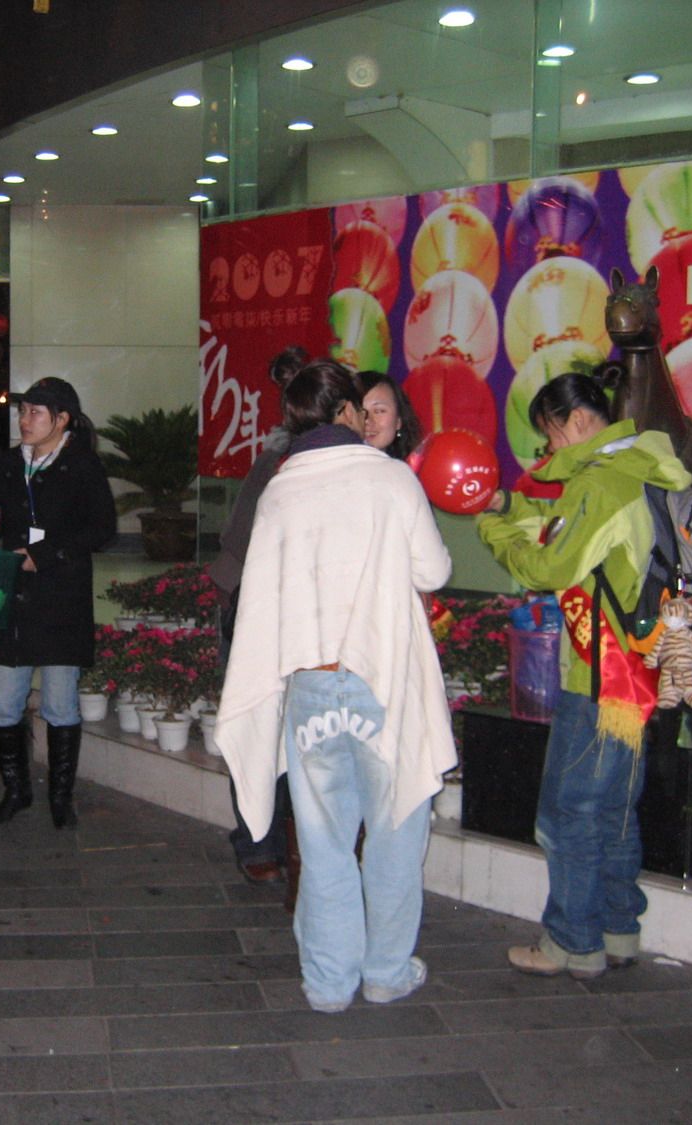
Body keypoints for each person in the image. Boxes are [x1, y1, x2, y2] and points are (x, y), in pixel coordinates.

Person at [214, 359, 456, 1013]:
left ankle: (327, 983)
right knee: (396, 835)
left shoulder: (281, 489)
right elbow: (433, 571)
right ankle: (385, 971)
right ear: (346, 411)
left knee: (322, 845)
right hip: (383, 683)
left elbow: (261, 595)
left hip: (312, 687)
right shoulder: (390, 479)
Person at [476, 371, 691, 980]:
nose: (549, 449)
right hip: (640, 676)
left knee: (569, 813)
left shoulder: (600, 482)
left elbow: (550, 566)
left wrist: (494, 526)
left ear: (573, 421)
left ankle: (571, 943)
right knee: (614, 811)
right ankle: (619, 930)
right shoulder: (642, 467)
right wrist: (512, 506)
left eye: (549, 435)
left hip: (598, 679)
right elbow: (569, 533)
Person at [0, 376, 116, 828]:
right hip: (12, 593)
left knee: (60, 703)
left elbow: (102, 528)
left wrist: (45, 554)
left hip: (61, 597)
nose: (25, 420)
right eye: (23, 412)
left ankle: (60, 796)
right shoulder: (8, 463)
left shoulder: (82, 465)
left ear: (62, 420)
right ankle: (16, 790)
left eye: (35, 413)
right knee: (2, 702)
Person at [205, 345, 306, 885]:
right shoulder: (275, 461)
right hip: (256, 611)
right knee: (258, 727)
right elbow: (238, 538)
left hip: (297, 619)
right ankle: (259, 842)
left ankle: (280, 843)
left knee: (291, 734)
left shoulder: (336, 465)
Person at [357, 370, 423, 459]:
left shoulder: (410, 466)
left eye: (379, 411)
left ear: (398, 421)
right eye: (359, 411)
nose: (367, 420)